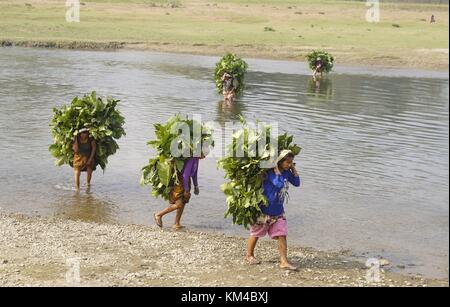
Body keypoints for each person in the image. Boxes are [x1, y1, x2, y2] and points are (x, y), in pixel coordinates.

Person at [245, 150, 301, 271]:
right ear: (279, 161)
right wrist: (275, 170)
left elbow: (297, 183)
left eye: (291, 162)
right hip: (263, 210)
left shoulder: (286, 172)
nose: (289, 165)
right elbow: (279, 184)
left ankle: (283, 261)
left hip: (278, 211)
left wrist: (294, 171)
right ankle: (249, 255)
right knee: (256, 234)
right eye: (287, 162)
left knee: (282, 234)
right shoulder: (270, 172)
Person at [154, 155, 203, 230]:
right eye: (204, 153)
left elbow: (194, 173)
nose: (205, 156)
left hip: (186, 182)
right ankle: (159, 215)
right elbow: (185, 175)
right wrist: (186, 190)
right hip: (180, 181)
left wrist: (196, 185)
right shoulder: (191, 159)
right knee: (179, 204)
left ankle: (176, 223)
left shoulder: (196, 159)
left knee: (183, 202)